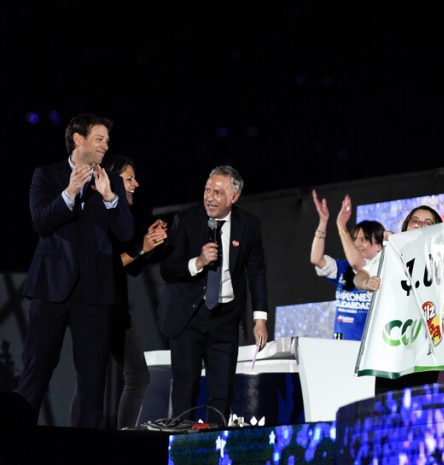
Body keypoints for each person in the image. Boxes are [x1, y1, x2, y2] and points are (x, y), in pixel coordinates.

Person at [16, 114, 134, 428]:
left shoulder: (112, 181)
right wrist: (68, 194)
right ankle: (15, 441)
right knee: (36, 370)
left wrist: (110, 197)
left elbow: (125, 233)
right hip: (51, 288)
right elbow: (40, 222)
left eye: (107, 140)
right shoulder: (47, 175)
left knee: (93, 379)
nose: (106, 146)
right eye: (99, 139)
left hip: (94, 293)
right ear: (78, 139)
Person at [158, 165, 268, 423]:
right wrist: (197, 262)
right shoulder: (185, 220)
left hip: (226, 318)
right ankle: (181, 451)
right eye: (207, 190)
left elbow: (257, 272)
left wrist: (259, 319)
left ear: (234, 197)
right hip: (189, 316)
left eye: (218, 192)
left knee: (221, 393)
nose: (210, 197)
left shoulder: (248, 225)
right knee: (186, 389)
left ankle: (216, 450)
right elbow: (167, 268)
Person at [71, 156, 167, 428]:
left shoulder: (122, 216)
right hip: (95, 308)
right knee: (94, 379)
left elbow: (131, 267)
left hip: (115, 308)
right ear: (111, 181)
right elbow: (106, 264)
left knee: (136, 376)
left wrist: (146, 244)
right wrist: (141, 249)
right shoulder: (95, 212)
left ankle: (124, 437)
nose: (136, 184)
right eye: (129, 178)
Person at [354, 205, 442, 394]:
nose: (420, 225)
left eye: (428, 223)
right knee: (387, 408)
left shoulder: (443, 257)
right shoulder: (390, 254)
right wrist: (366, 282)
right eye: (415, 221)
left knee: (420, 406)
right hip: (391, 346)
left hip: (425, 350)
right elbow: (359, 276)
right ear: (406, 225)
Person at [310, 191, 385, 340]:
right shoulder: (344, 268)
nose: (356, 244)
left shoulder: (383, 270)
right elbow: (316, 259)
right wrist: (323, 222)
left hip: (368, 350)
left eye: (363, 240)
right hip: (339, 347)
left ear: (379, 246)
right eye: (354, 239)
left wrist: (341, 225)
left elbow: (358, 265)